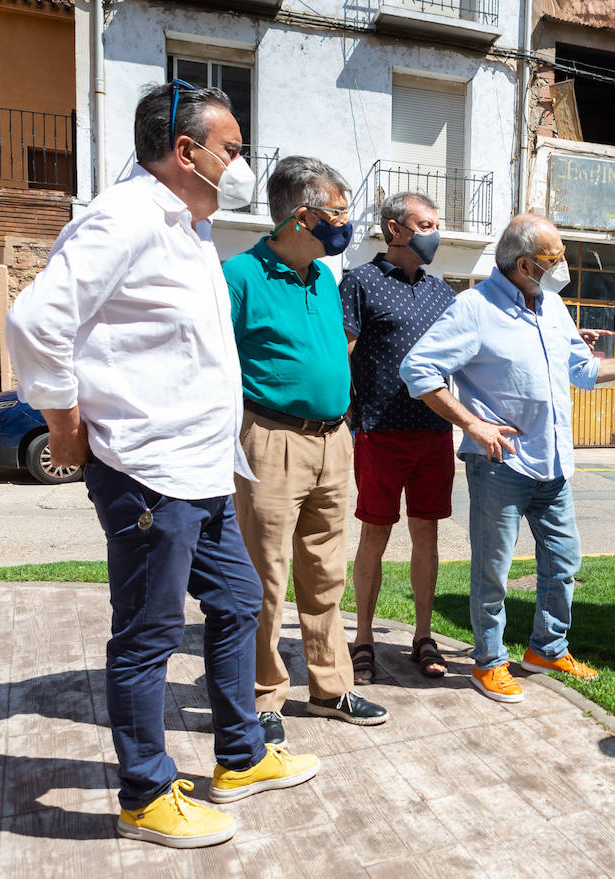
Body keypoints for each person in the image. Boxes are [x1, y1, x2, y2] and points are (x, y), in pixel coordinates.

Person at [5, 81, 318, 849]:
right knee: (146, 636)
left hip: (202, 471)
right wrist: (64, 419)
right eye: (232, 149)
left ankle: (240, 757)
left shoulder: (186, 228)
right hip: (148, 471)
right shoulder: (126, 217)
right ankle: (145, 793)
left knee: (240, 603)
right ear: (187, 151)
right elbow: (35, 320)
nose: (241, 164)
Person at [400, 214, 615, 702]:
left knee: (563, 562)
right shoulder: (473, 309)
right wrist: (472, 424)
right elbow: (418, 368)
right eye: (554, 257)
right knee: (493, 571)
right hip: (500, 464)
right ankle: (489, 662)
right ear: (523, 263)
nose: (564, 264)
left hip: (554, 464)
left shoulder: (553, 306)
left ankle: (546, 648)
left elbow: (582, 370)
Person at [223, 156, 389, 746]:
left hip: (331, 439)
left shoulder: (324, 277)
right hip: (269, 440)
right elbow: (215, 364)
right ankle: (264, 695)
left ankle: (328, 687)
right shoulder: (238, 276)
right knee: (265, 575)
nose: (346, 224)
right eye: (339, 212)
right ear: (302, 215)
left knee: (325, 573)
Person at [339, 192, 454, 685]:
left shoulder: (443, 293)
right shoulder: (359, 283)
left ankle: (422, 636)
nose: (434, 233)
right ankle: (362, 638)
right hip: (380, 431)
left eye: (435, 224)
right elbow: (342, 351)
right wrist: (351, 418)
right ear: (394, 229)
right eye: (424, 224)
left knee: (426, 535)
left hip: (434, 433)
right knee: (374, 535)